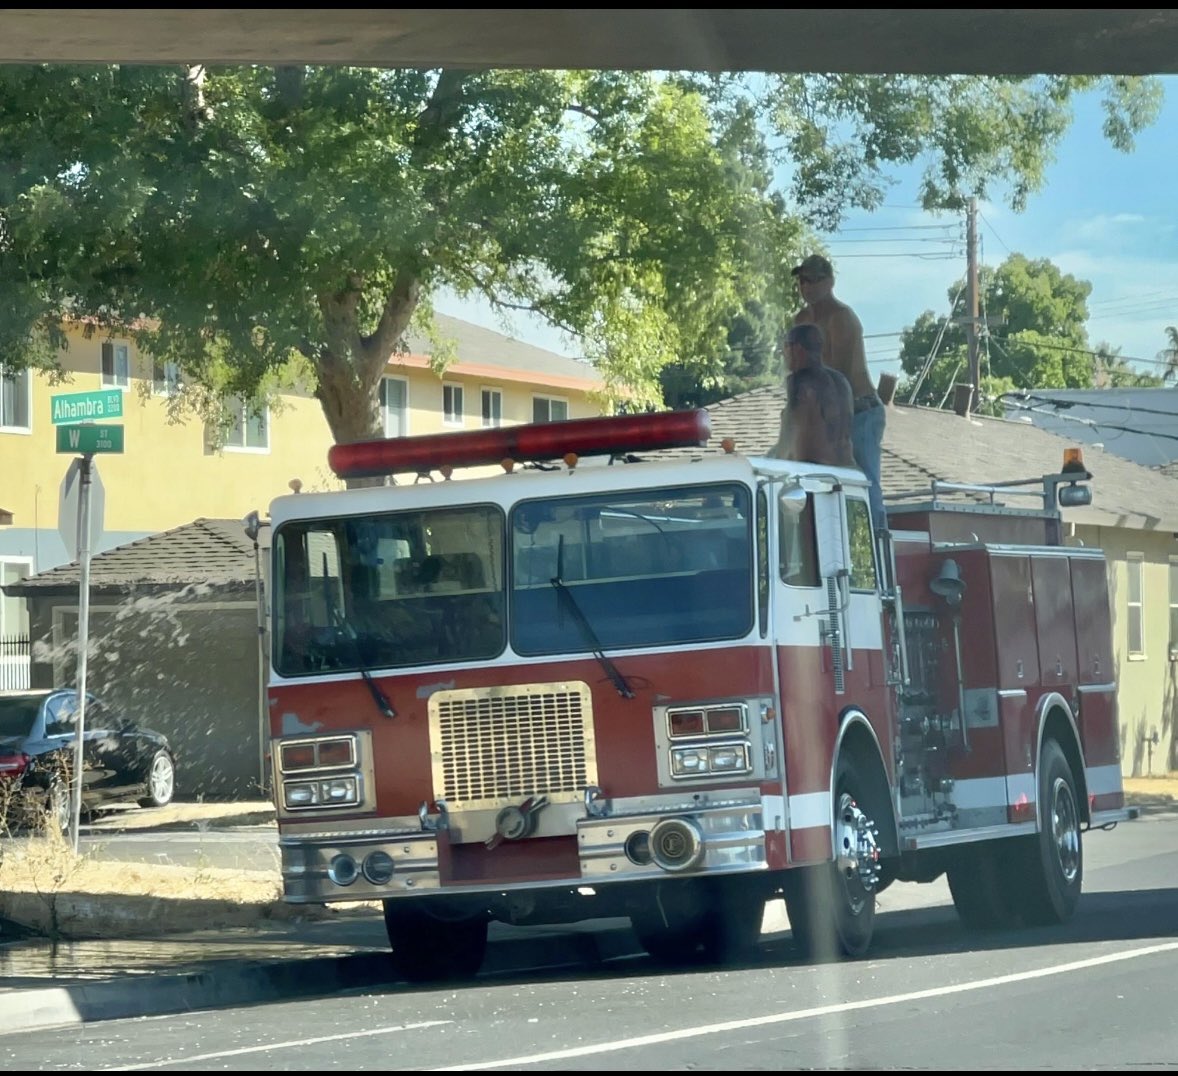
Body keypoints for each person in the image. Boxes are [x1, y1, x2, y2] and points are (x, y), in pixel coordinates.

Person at [790, 254, 887, 528]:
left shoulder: (842, 318)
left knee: (865, 480)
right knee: (816, 482)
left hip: (860, 411)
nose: (806, 286)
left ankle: (878, 539)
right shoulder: (801, 320)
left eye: (813, 280)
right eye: (802, 280)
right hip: (824, 417)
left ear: (830, 282)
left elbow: (836, 377)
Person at [769, 322, 856, 469]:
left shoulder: (801, 385)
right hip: (848, 472)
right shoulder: (841, 382)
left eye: (785, 348)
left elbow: (796, 443)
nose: (783, 355)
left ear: (797, 349)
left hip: (813, 475)